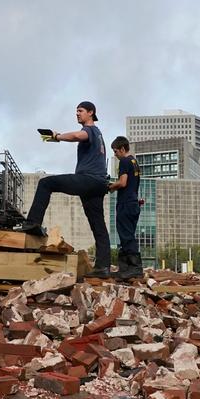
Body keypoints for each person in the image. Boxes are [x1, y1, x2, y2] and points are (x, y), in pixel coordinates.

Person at [19, 101, 112, 277]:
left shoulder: (90, 130)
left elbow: (78, 136)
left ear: (91, 113)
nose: (77, 114)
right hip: (98, 184)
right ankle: (103, 267)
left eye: (80, 111)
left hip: (88, 180)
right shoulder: (99, 134)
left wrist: (57, 136)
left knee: (46, 183)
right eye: (76, 111)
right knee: (98, 226)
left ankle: (32, 224)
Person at [108, 136, 142, 280]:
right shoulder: (134, 162)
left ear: (122, 149)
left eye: (116, 151)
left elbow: (122, 183)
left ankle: (135, 268)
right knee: (127, 235)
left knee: (126, 236)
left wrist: (109, 186)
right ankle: (125, 269)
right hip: (133, 203)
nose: (115, 155)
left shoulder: (124, 161)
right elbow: (132, 184)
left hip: (125, 204)